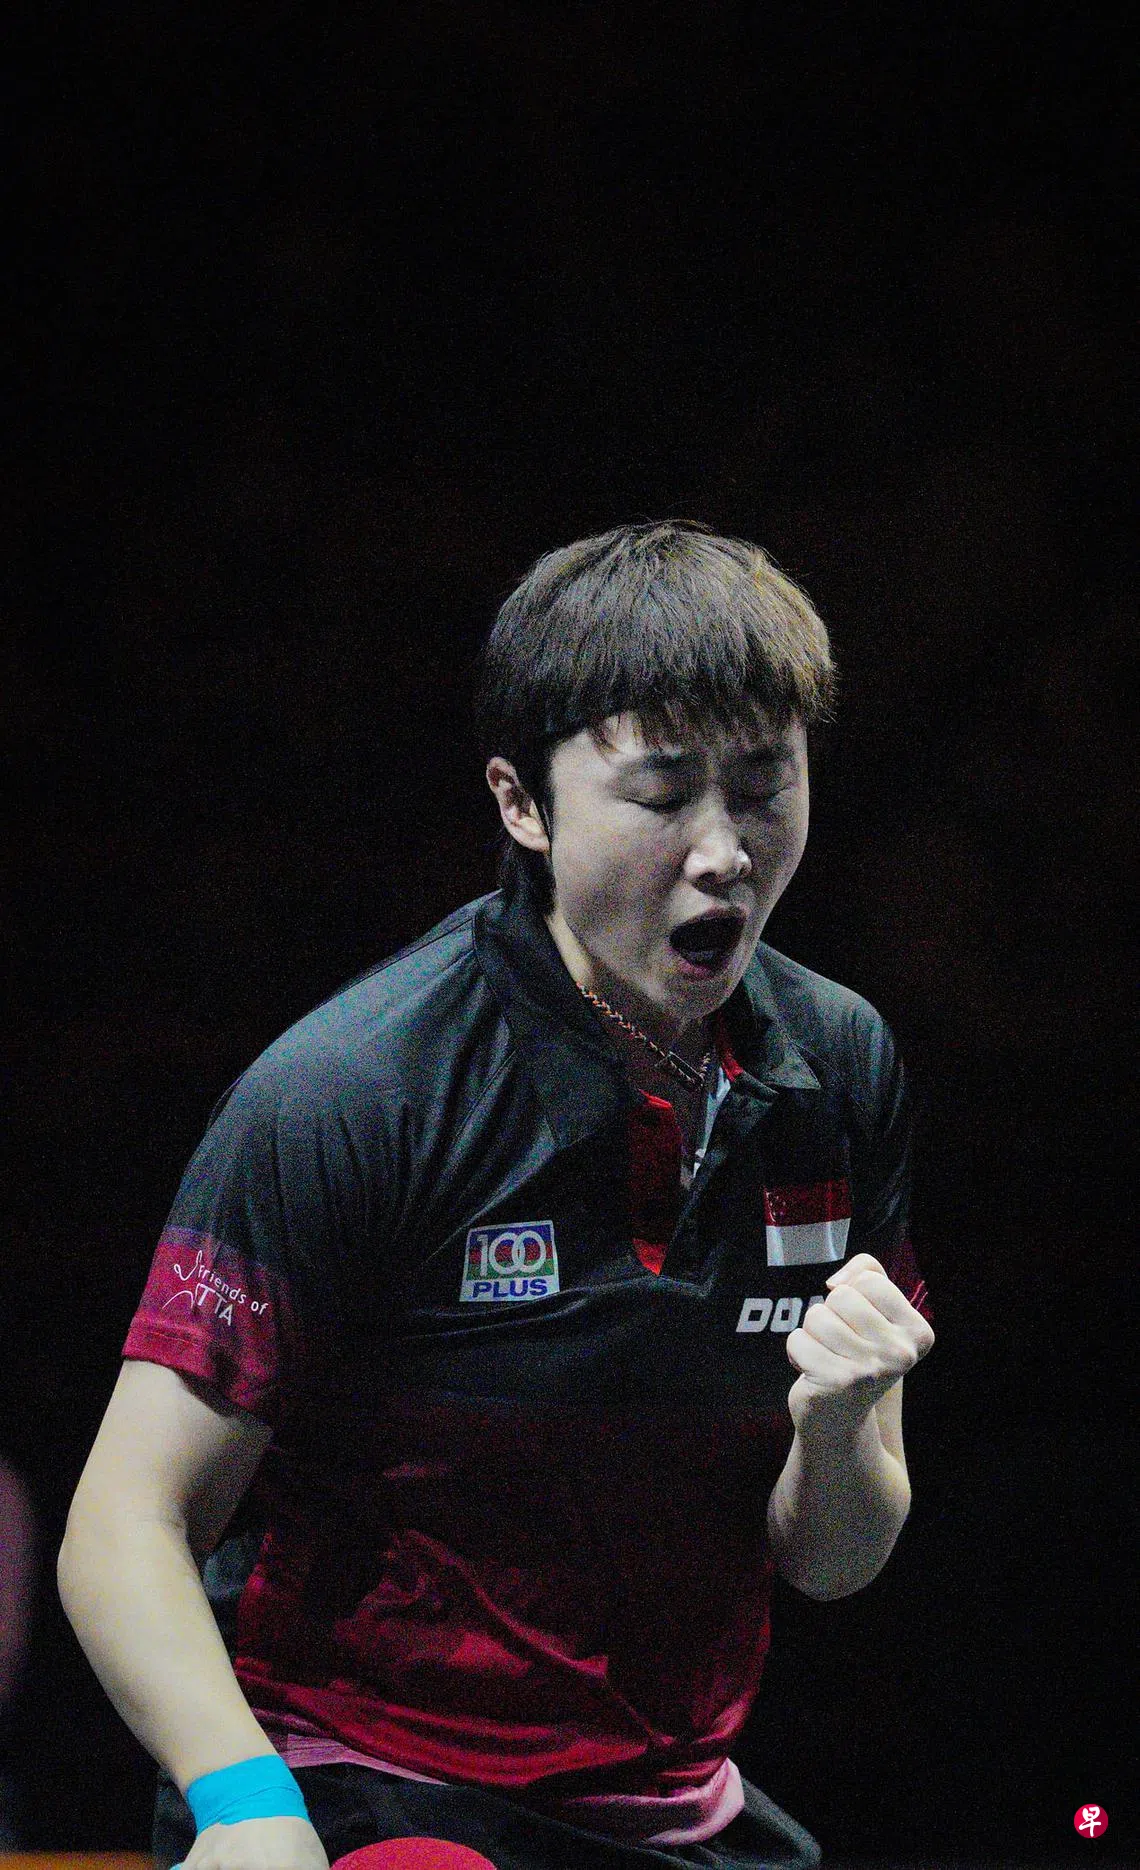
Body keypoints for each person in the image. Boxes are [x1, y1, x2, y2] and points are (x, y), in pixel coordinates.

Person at [59, 522, 934, 1870]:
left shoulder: (839, 1071)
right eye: (663, 794)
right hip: (362, 1791)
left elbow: (833, 1560)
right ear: (523, 804)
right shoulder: (359, 1092)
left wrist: (838, 1426)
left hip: (669, 1808)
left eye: (765, 784)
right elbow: (126, 1520)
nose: (725, 850)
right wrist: (240, 1802)